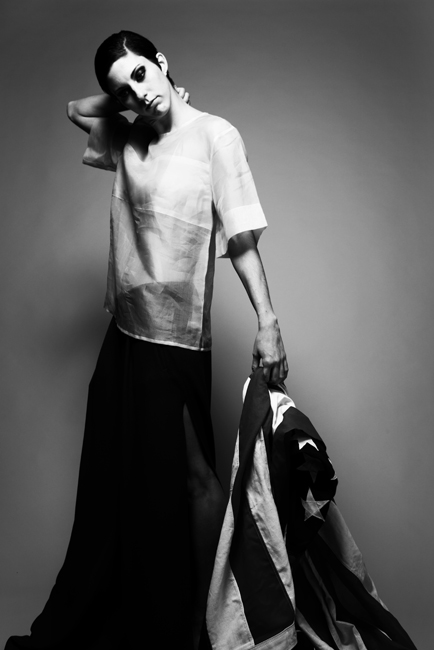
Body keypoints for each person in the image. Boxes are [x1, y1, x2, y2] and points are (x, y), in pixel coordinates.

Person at [5, 30, 287, 650]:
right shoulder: (130, 137)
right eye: (122, 90)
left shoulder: (216, 136)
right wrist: (132, 99)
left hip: (175, 339)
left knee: (193, 478)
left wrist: (267, 321)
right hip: (125, 334)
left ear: (162, 62)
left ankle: (206, 625)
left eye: (141, 73)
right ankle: (145, 606)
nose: (136, 93)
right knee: (117, 474)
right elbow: (75, 109)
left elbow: (241, 239)